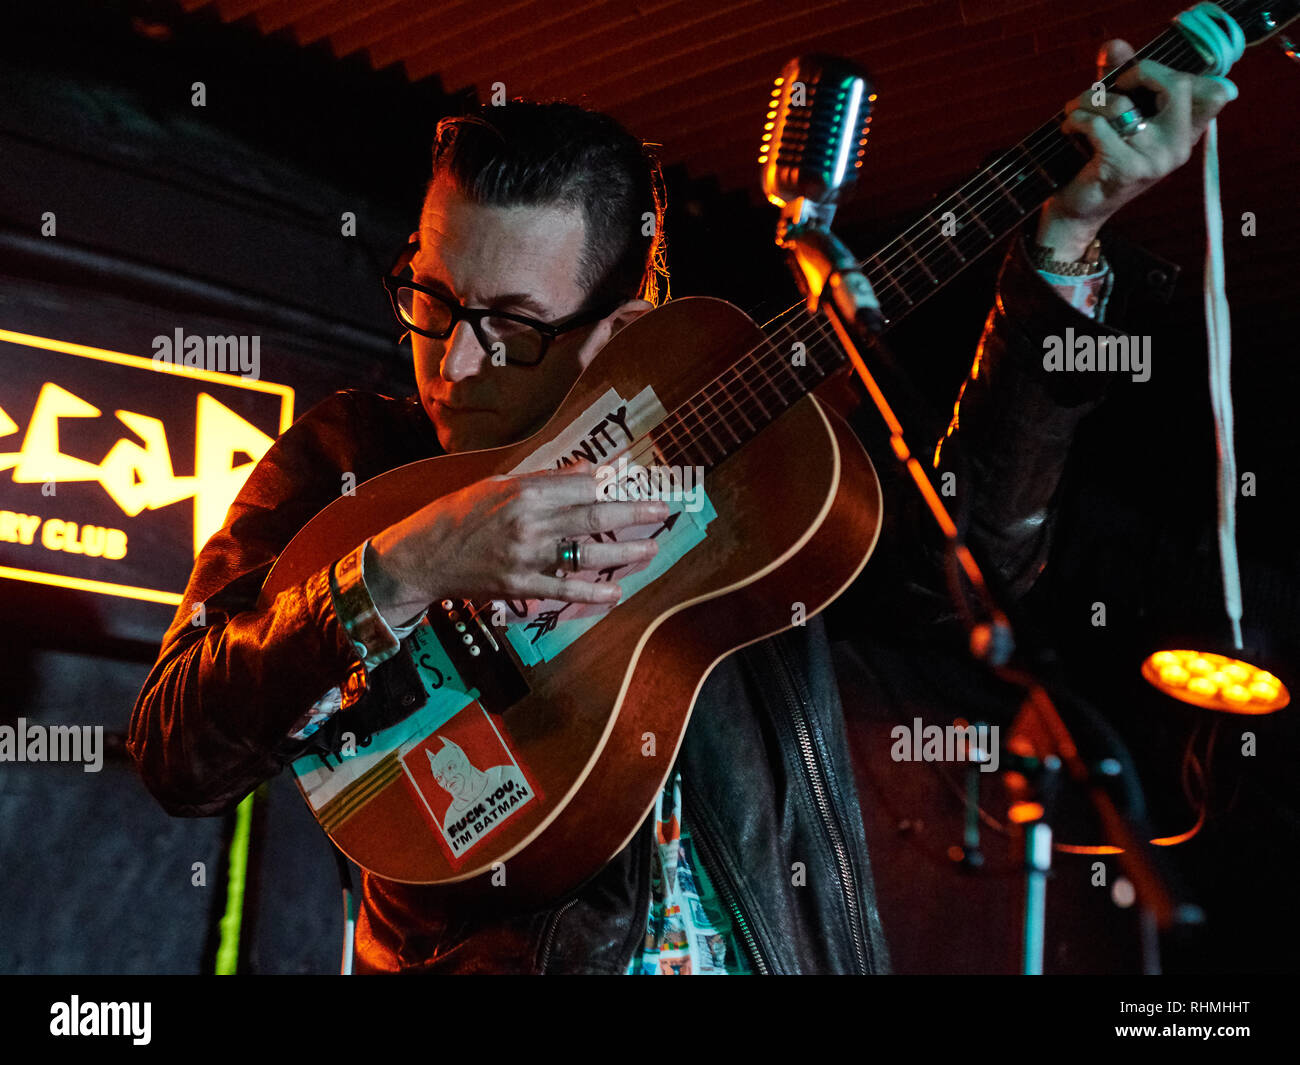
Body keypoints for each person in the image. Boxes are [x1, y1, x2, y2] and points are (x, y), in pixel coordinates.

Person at [128, 39, 1235, 973]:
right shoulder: (353, 461)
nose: (455, 361)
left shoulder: (746, 463)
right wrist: (407, 565)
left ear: (626, 318)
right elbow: (179, 748)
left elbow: (967, 576)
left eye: (512, 323)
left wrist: (1061, 246)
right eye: (429, 294)